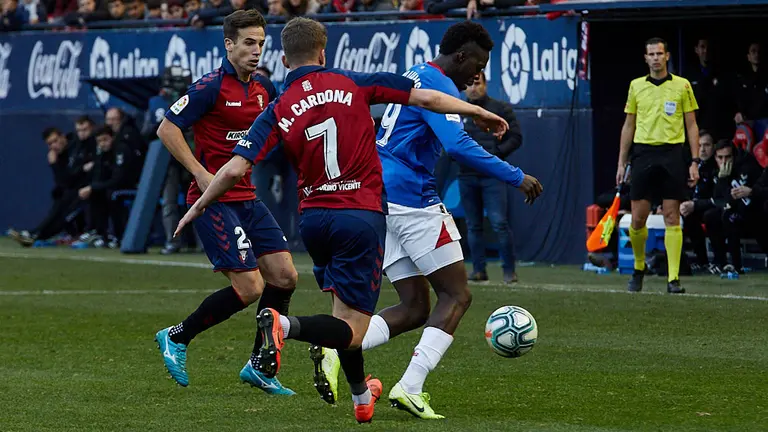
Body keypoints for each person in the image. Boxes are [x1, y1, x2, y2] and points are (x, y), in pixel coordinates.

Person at [174, 17, 510, 424]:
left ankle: (359, 396)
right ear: (323, 52)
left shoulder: (279, 106)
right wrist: (476, 110)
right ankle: (285, 324)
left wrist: (196, 206)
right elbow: (427, 100)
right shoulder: (354, 82)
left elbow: (231, 170)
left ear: (283, 59)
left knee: (345, 311)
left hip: (314, 221)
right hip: (360, 216)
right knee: (351, 328)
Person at [318, 21, 542, 420]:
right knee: (457, 296)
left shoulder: (413, 74)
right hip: (413, 201)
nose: (479, 73)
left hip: (379, 199)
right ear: (461, 56)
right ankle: (411, 386)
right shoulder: (440, 85)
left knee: (416, 306)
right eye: (479, 62)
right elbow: (457, 145)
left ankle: (337, 343)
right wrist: (515, 175)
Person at [153, 10, 299, 396]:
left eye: (262, 44)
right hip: (213, 201)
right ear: (228, 44)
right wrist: (201, 173)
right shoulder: (209, 87)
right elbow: (166, 128)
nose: (256, 51)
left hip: (248, 197)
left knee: (285, 277)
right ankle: (177, 336)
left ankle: (261, 365)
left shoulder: (264, 87)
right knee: (250, 287)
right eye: (249, 43)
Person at [617, 37, 700, 294]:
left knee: (671, 216)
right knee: (638, 218)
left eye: (659, 53)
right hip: (643, 153)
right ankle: (639, 269)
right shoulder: (636, 86)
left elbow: (692, 125)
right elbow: (628, 125)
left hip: (672, 154)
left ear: (667, 56)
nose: (655, 58)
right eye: (650, 53)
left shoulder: (682, 86)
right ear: (645, 58)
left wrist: (695, 161)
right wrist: (622, 162)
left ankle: (673, 279)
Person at [458, 72, 523, 283]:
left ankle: (509, 272)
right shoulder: (457, 111)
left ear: (485, 84)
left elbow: (516, 137)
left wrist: (496, 154)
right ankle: (478, 270)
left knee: (499, 223)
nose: (473, 88)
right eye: (470, 84)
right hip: (466, 176)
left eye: (477, 83)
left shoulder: (500, 108)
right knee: (473, 225)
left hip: (492, 176)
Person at [703, 139, 767, 273]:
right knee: (712, 215)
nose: (724, 161)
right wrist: (722, 179)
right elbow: (719, 199)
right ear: (715, 157)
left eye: (727, 157)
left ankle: (737, 266)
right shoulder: (713, 168)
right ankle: (721, 262)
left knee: (732, 215)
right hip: (732, 209)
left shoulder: (746, 164)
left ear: (734, 155)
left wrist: (751, 191)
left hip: (754, 208)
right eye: (720, 157)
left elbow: (759, 187)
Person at [680, 130, 718, 273]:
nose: (702, 149)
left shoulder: (717, 165)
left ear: (713, 147)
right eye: (699, 145)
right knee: (685, 215)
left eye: (706, 145)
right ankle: (698, 261)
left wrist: (694, 205)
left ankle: (719, 261)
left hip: (713, 206)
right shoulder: (691, 166)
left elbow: (718, 197)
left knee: (710, 215)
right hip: (694, 207)